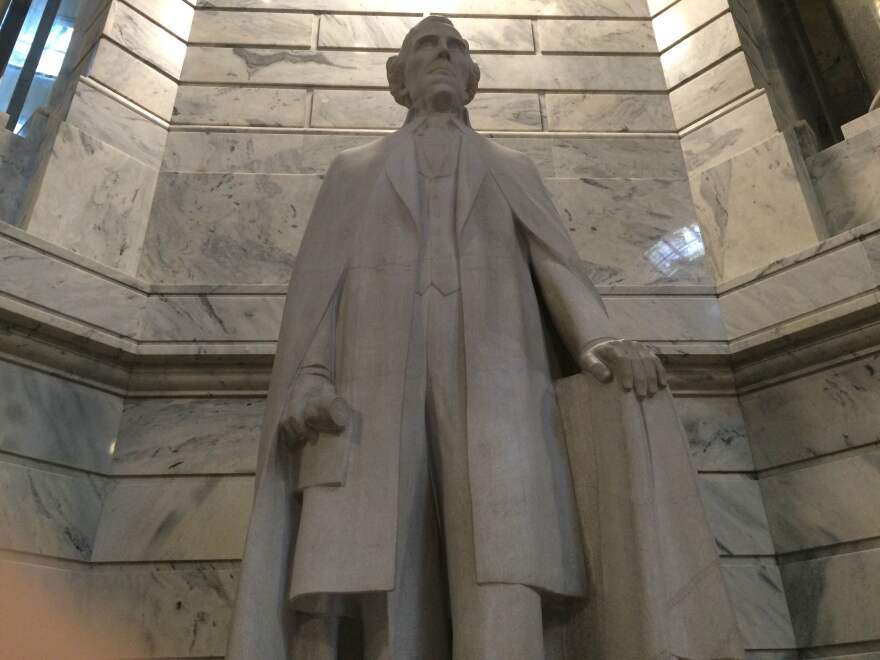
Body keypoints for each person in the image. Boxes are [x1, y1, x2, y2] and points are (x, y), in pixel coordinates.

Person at [227, 16, 668, 660]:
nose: (441, 54)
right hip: (373, 385)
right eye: (424, 46)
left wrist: (596, 342)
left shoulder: (512, 168)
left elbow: (557, 267)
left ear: (472, 78)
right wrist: (311, 378)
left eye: (454, 47)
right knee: (385, 569)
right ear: (397, 79)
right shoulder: (352, 172)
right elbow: (324, 289)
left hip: (500, 388)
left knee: (505, 564)